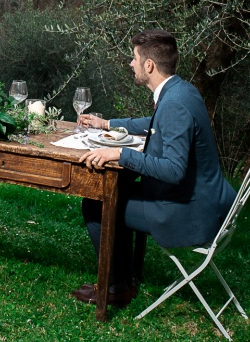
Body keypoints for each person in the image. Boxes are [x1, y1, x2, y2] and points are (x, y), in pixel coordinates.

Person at [73, 29, 237, 306]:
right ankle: (123, 280)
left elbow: (173, 170)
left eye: (134, 58)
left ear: (149, 65)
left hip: (189, 211)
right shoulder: (182, 91)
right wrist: (108, 124)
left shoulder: (174, 104)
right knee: (118, 191)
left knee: (96, 204)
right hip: (208, 199)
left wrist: (121, 154)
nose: (131, 64)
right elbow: (156, 123)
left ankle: (114, 287)